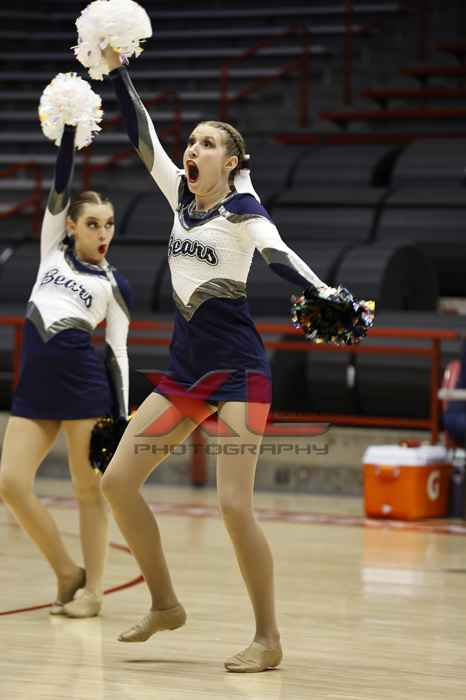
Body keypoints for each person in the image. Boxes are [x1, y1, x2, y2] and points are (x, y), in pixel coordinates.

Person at [99, 46, 329, 673]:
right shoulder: (181, 196)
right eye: (192, 142)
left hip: (239, 375)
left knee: (233, 507)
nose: (192, 150)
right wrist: (118, 69)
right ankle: (165, 604)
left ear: (231, 162)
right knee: (117, 482)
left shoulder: (242, 211)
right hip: (185, 376)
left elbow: (277, 253)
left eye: (207, 144)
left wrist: (322, 291)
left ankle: (268, 638)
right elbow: (142, 136)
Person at [0, 124, 132, 618]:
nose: (103, 233)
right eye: (93, 224)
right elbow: (60, 184)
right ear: (72, 226)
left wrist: (120, 417)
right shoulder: (52, 249)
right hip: (35, 388)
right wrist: (70, 129)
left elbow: (118, 353)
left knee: (88, 491)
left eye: (109, 225)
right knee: (10, 483)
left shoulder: (115, 285)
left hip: (84, 391)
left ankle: (93, 592)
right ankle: (65, 571)